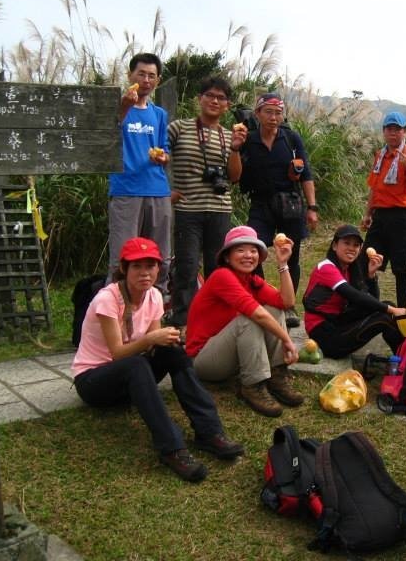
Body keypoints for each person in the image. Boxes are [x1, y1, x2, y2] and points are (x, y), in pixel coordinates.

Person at [71, 237, 244, 483]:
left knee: (172, 351)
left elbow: (152, 345)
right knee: (136, 364)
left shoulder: (153, 296)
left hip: (128, 379)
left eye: (150, 266)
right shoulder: (106, 300)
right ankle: (172, 448)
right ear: (124, 268)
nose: (145, 273)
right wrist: (153, 338)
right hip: (93, 381)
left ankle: (209, 432)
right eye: (137, 266)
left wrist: (166, 339)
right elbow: (118, 353)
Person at [184, 225, 304, 418]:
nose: (248, 255)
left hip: (228, 353)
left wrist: (283, 264)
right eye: (240, 250)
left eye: (253, 250)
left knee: (274, 309)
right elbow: (257, 315)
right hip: (203, 360)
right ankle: (252, 386)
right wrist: (287, 340)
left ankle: (277, 375)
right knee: (248, 320)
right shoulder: (222, 276)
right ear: (227, 257)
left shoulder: (251, 280)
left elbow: (287, 302)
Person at [167, 73, 247, 324]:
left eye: (221, 98)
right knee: (187, 266)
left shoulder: (228, 135)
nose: (214, 101)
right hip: (187, 209)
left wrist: (235, 148)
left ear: (227, 105)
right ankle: (182, 321)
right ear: (199, 99)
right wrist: (164, 191)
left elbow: (234, 177)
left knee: (218, 269)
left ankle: (214, 318)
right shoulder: (178, 128)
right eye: (209, 95)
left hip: (219, 209)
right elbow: (158, 157)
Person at [238, 93, 319, 327]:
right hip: (260, 203)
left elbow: (306, 175)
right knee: (254, 252)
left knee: (291, 255)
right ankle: (260, 300)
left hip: (290, 203)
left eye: (278, 113)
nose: (274, 117)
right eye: (268, 112)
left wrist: (312, 207)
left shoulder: (291, 139)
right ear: (258, 114)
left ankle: (289, 306)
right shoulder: (249, 140)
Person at [107, 53, 172, 295]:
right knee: (122, 258)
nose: (146, 80)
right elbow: (107, 133)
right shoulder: (118, 107)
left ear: (157, 80)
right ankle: (115, 311)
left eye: (151, 76)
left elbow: (164, 149)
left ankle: (156, 307)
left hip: (158, 190)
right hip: (126, 189)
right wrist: (124, 106)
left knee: (160, 256)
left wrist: (163, 157)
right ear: (130, 75)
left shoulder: (159, 114)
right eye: (141, 74)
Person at [302, 224, 406, 359]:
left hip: (337, 324)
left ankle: (402, 359)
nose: (351, 248)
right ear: (334, 246)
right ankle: (404, 362)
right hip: (325, 338)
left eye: (356, 245)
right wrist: (391, 309)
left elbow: (370, 301)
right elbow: (354, 296)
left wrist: (371, 276)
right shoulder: (326, 268)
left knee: (387, 306)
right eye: (346, 243)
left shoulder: (349, 269)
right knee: (386, 316)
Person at [360, 111, 406, 308]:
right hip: (380, 217)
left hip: (402, 218)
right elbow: (375, 188)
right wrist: (368, 214)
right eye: (389, 129)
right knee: (367, 262)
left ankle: (401, 310)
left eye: (398, 129)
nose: (393, 133)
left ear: (405, 132)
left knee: (401, 268)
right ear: (384, 132)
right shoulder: (380, 155)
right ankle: (373, 306)